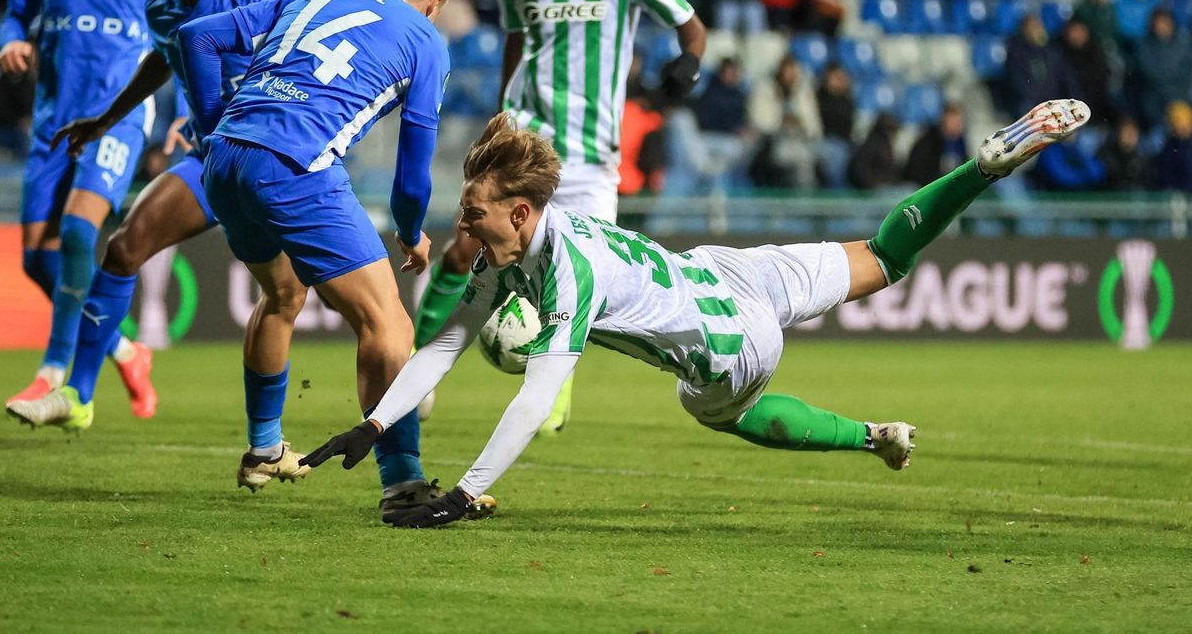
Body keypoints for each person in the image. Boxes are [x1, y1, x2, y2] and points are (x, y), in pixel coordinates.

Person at [298, 100, 1092, 525]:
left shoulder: (565, 272)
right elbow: (444, 346)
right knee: (881, 258)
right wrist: (373, 426)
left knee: (711, 412)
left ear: (520, 213)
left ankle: (860, 435)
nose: (460, 228)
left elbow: (537, 394)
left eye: (473, 216)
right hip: (723, 274)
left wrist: (466, 492)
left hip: (728, 343)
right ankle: (981, 169)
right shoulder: (515, 253)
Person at [410, 0, 708, 433]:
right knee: (462, 253)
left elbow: (692, 26)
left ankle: (553, 397)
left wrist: (687, 63)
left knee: (580, 291)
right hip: (525, 144)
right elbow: (516, 44)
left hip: (593, 155)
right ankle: (416, 367)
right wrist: (500, 118)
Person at [178, 0, 453, 518]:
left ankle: (263, 448)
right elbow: (411, 177)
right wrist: (410, 231)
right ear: (435, 2)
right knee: (387, 324)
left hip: (226, 158)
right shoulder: (427, 39)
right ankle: (402, 482)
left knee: (281, 293)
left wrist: (211, 133)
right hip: (296, 164)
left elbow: (195, 37)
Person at [8, 0, 281, 430]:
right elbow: (161, 60)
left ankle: (398, 366)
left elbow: (302, 43)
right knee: (123, 248)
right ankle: (78, 395)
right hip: (211, 164)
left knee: (305, 290)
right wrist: (103, 120)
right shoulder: (160, 9)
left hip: (274, 164)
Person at [0, 0, 165, 417]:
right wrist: (12, 40)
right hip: (53, 123)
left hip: (116, 120)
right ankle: (124, 348)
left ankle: (52, 376)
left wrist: (187, 114)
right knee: (35, 260)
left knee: (75, 232)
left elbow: (182, 39)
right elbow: (15, 13)